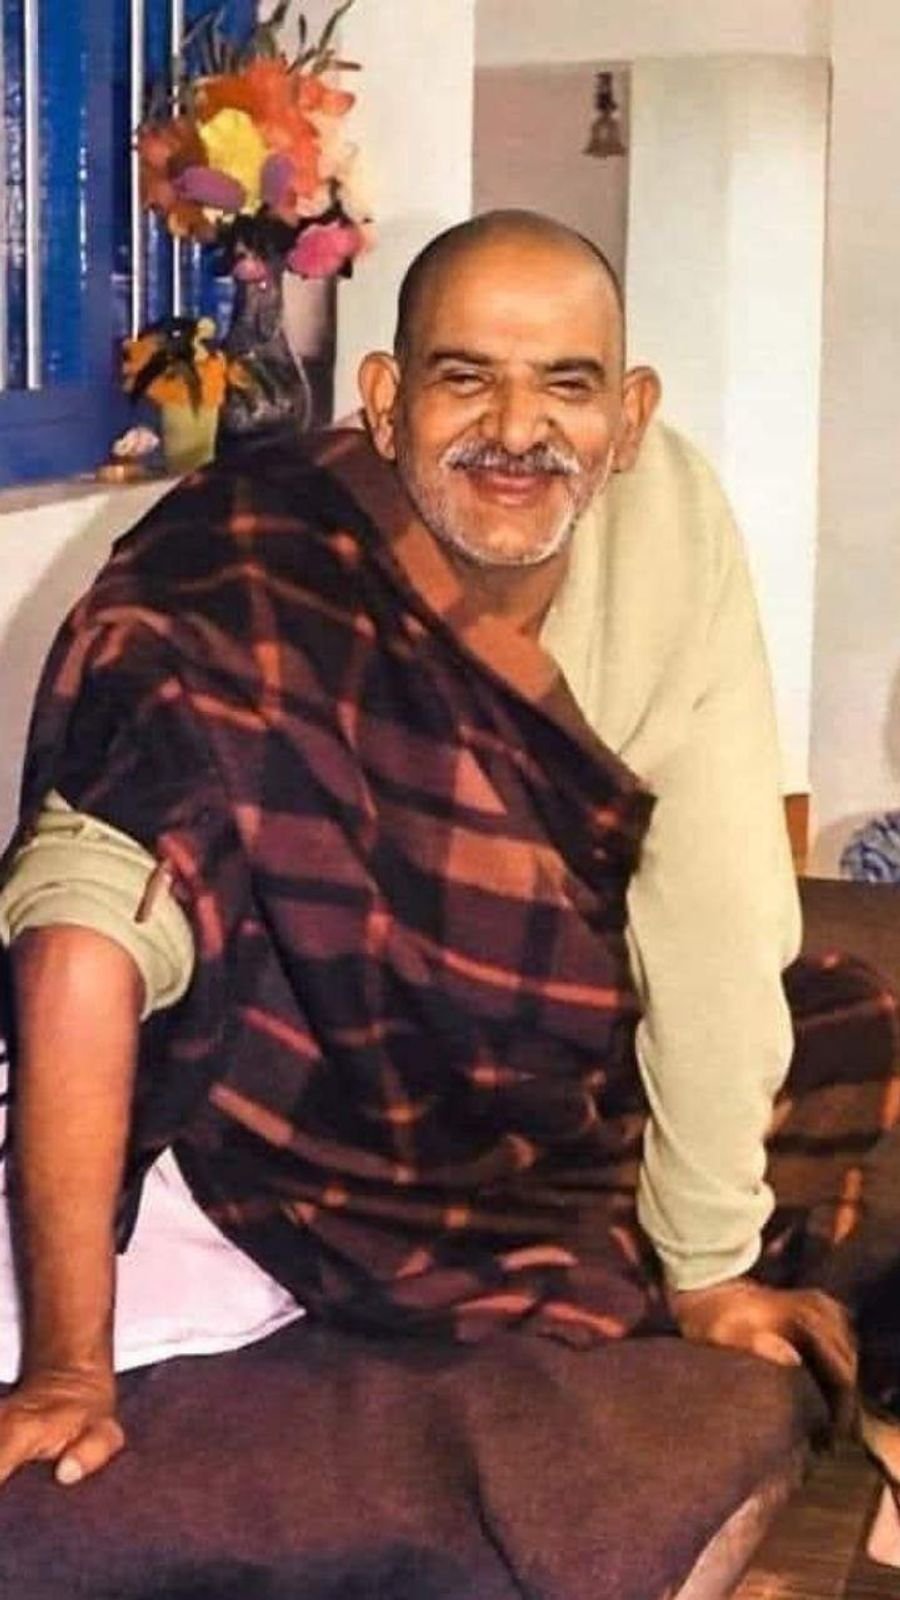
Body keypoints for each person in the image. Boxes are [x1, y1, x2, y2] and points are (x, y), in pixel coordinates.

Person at [0, 210, 885, 1508]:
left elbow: (716, 908)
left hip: (535, 1086)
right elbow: (79, 939)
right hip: (295, 1125)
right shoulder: (244, 569)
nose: (518, 430)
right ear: (384, 400)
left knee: (841, 1021)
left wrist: (708, 1268)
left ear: (630, 416)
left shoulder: (675, 524)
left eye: (568, 385)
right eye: (467, 377)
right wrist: (70, 1369)